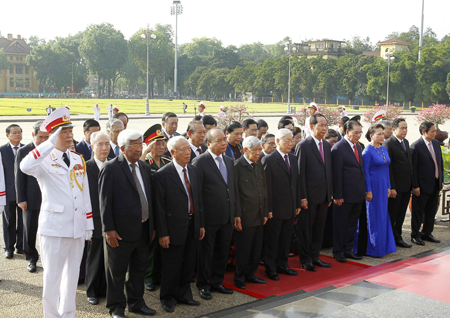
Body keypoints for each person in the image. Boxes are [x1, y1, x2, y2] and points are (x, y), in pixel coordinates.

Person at [20, 108, 94, 318]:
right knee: (52, 278)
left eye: (71, 130)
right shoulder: (43, 158)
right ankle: (51, 315)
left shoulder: (78, 159)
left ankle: (68, 313)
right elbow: (25, 166)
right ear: (54, 135)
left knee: (71, 277)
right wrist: (49, 143)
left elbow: (84, 192)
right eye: (64, 132)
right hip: (54, 227)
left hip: (77, 226)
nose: (70, 135)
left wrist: (88, 224)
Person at [99, 129, 156, 318]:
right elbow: (105, 203)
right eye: (135, 145)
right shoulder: (111, 168)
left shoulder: (145, 167)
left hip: (143, 229)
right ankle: (116, 308)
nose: (140, 148)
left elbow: (150, 199)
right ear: (123, 148)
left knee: (138, 271)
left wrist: (153, 226)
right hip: (120, 233)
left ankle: (136, 303)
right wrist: (109, 230)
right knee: (116, 272)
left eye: (141, 144)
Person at [155, 136, 205, 313]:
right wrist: (163, 233)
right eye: (183, 149)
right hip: (173, 227)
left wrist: (200, 224)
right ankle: (167, 297)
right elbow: (159, 208)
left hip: (192, 224)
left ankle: (184, 294)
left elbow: (198, 199)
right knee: (171, 265)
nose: (187, 152)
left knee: (188, 263)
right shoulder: (163, 174)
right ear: (173, 152)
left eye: (188, 149)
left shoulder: (193, 170)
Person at [192, 128, 241, 301]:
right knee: (206, 252)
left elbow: (233, 189)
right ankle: (203, 284)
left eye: (224, 140)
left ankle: (216, 281)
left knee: (222, 251)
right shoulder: (200, 162)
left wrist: (236, 213)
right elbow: (197, 195)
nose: (223, 143)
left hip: (227, 217)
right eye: (218, 140)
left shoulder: (229, 161)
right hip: (209, 218)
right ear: (208, 143)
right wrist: (200, 221)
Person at [295, 114, 333, 271]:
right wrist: (302, 196)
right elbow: (299, 174)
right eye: (321, 125)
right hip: (309, 197)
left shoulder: (326, 145)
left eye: (326, 125)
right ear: (311, 127)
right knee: (306, 229)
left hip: (324, 196)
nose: (324, 128)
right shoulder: (303, 145)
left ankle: (315, 255)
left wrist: (330, 193)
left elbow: (328, 171)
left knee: (319, 228)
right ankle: (305, 259)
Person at [262, 129, 301, 281]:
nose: (290, 144)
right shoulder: (269, 160)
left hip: (290, 207)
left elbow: (295, 183)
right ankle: (270, 268)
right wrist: (269, 208)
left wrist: (297, 202)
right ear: (278, 142)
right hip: (275, 208)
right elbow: (267, 188)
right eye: (287, 141)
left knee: (286, 239)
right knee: (273, 240)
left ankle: (283, 265)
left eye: (291, 141)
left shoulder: (293, 158)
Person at [356, 124, 396, 257]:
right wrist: (368, 190)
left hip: (383, 187)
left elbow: (387, 170)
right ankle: (372, 248)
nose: (382, 136)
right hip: (373, 187)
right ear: (371, 136)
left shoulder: (384, 149)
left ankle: (383, 246)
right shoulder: (367, 151)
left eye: (383, 133)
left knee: (383, 216)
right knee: (373, 217)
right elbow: (365, 172)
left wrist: (389, 187)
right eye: (378, 134)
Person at [233, 136, 268, 289]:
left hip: (259, 214)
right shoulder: (236, 166)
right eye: (256, 150)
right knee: (244, 249)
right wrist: (237, 216)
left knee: (256, 248)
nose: (259, 153)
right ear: (245, 150)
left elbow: (264, 189)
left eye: (260, 150)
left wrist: (266, 211)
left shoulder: (258, 164)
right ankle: (239, 277)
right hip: (245, 216)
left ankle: (251, 274)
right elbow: (235, 194)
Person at [15, 120, 49, 272]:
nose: (43, 140)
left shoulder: (51, 150)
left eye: (47, 137)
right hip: (30, 199)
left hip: (50, 198)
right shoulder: (23, 151)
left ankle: (48, 258)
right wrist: (21, 199)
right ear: (33, 135)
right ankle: (31, 258)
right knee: (29, 230)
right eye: (40, 137)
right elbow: (19, 177)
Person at [141, 124, 170, 292]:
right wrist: (145, 151)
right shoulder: (145, 161)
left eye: (163, 143)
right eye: (157, 144)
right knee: (151, 245)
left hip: (165, 209)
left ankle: (159, 275)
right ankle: (148, 277)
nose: (162, 147)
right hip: (150, 209)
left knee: (163, 244)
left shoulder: (167, 161)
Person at [331, 120, 366, 263]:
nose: (358, 135)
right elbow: (336, 174)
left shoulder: (357, 147)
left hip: (357, 193)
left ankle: (348, 249)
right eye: (355, 132)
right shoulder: (338, 148)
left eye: (360, 132)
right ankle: (338, 250)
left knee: (352, 223)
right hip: (344, 195)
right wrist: (338, 195)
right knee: (341, 223)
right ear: (347, 132)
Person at [85, 131, 110, 305]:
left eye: (107, 144)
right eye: (99, 144)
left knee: (109, 257)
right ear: (92, 146)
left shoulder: (115, 166)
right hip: (92, 219)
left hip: (111, 221)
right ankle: (92, 290)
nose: (104, 148)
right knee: (94, 255)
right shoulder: (85, 167)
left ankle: (106, 288)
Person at [410, 121, 444, 245]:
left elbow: (439, 163)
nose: (435, 133)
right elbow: (413, 169)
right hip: (422, 185)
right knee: (418, 211)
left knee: (431, 210)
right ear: (424, 132)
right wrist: (415, 186)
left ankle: (427, 233)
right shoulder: (416, 146)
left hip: (435, 183)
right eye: (433, 131)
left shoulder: (435, 143)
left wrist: (441, 180)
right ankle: (415, 234)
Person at [384, 118, 413, 248]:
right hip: (396, 186)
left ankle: (398, 237)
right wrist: (392, 187)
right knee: (392, 213)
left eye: (406, 128)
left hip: (406, 185)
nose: (405, 130)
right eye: (402, 128)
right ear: (394, 129)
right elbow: (389, 168)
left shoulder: (406, 142)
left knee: (401, 214)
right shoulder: (389, 144)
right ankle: (389, 239)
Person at [1, 124, 24, 259]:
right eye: (14, 133)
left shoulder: (26, 149)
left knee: (23, 221)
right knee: (9, 220)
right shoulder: (2, 150)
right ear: (7, 135)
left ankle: (21, 247)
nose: (17, 135)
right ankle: (9, 247)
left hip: (23, 192)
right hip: (8, 191)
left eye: (19, 133)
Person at [322, 129, 339, 247]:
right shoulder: (323, 152)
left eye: (336, 142)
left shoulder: (335, 152)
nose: (334, 145)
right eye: (332, 142)